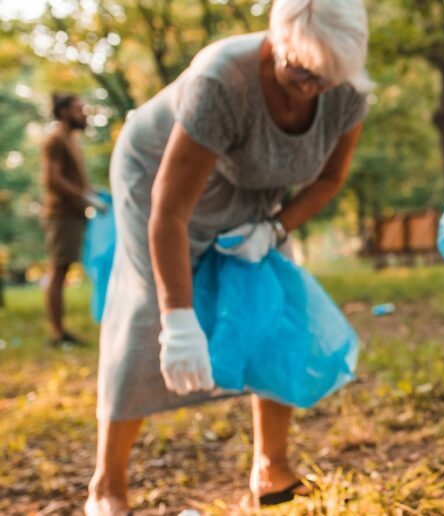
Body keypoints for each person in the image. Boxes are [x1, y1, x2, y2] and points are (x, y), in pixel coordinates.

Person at [86, 0, 370, 513]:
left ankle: (272, 467)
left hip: (256, 188)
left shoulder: (346, 87)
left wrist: (275, 228)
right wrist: (178, 319)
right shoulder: (224, 80)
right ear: (276, 39)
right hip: (157, 179)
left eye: (323, 80)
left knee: (270, 302)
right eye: (299, 72)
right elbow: (168, 212)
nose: (309, 88)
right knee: (148, 312)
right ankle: (107, 487)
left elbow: (329, 178)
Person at [40, 93, 105, 347]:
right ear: (64, 111)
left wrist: (91, 192)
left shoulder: (70, 141)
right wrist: (84, 197)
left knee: (64, 269)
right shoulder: (55, 140)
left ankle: (61, 332)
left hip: (74, 214)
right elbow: (51, 179)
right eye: (79, 109)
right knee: (58, 270)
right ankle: (58, 334)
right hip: (61, 214)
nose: (84, 114)